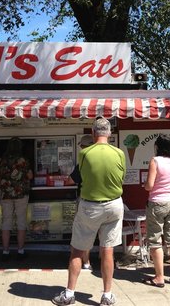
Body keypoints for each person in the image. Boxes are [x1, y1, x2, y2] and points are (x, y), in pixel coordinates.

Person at [53, 118, 125, 306]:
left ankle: (69, 294)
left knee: (78, 249)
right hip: (114, 205)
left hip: (90, 206)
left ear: (93, 134)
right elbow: (121, 178)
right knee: (108, 250)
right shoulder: (119, 153)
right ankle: (107, 295)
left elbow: (80, 178)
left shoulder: (85, 153)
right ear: (109, 134)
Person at [142, 135, 170, 287]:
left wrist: (145, 186)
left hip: (157, 203)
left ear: (158, 147)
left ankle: (159, 277)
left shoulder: (155, 161)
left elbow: (150, 185)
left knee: (155, 241)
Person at [0, 137, 33, 261]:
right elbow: (30, 176)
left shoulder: (2, 160)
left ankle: (5, 252)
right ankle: (20, 251)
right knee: (21, 222)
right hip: (21, 194)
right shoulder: (23, 160)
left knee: (6, 222)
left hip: (6, 194)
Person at [68, 134, 94, 271]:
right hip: (109, 202)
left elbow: (70, 180)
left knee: (83, 232)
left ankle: (85, 262)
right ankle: (105, 261)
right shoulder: (107, 159)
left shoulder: (83, 162)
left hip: (86, 201)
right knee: (104, 237)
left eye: (82, 146)